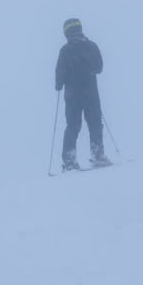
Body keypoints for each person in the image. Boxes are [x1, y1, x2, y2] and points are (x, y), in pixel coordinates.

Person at [55, 18, 110, 171]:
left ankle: (69, 161)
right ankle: (98, 155)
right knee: (94, 123)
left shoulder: (65, 51)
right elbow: (99, 67)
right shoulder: (91, 46)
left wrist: (58, 84)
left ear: (66, 32)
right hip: (90, 92)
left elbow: (60, 73)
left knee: (72, 126)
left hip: (72, 95)